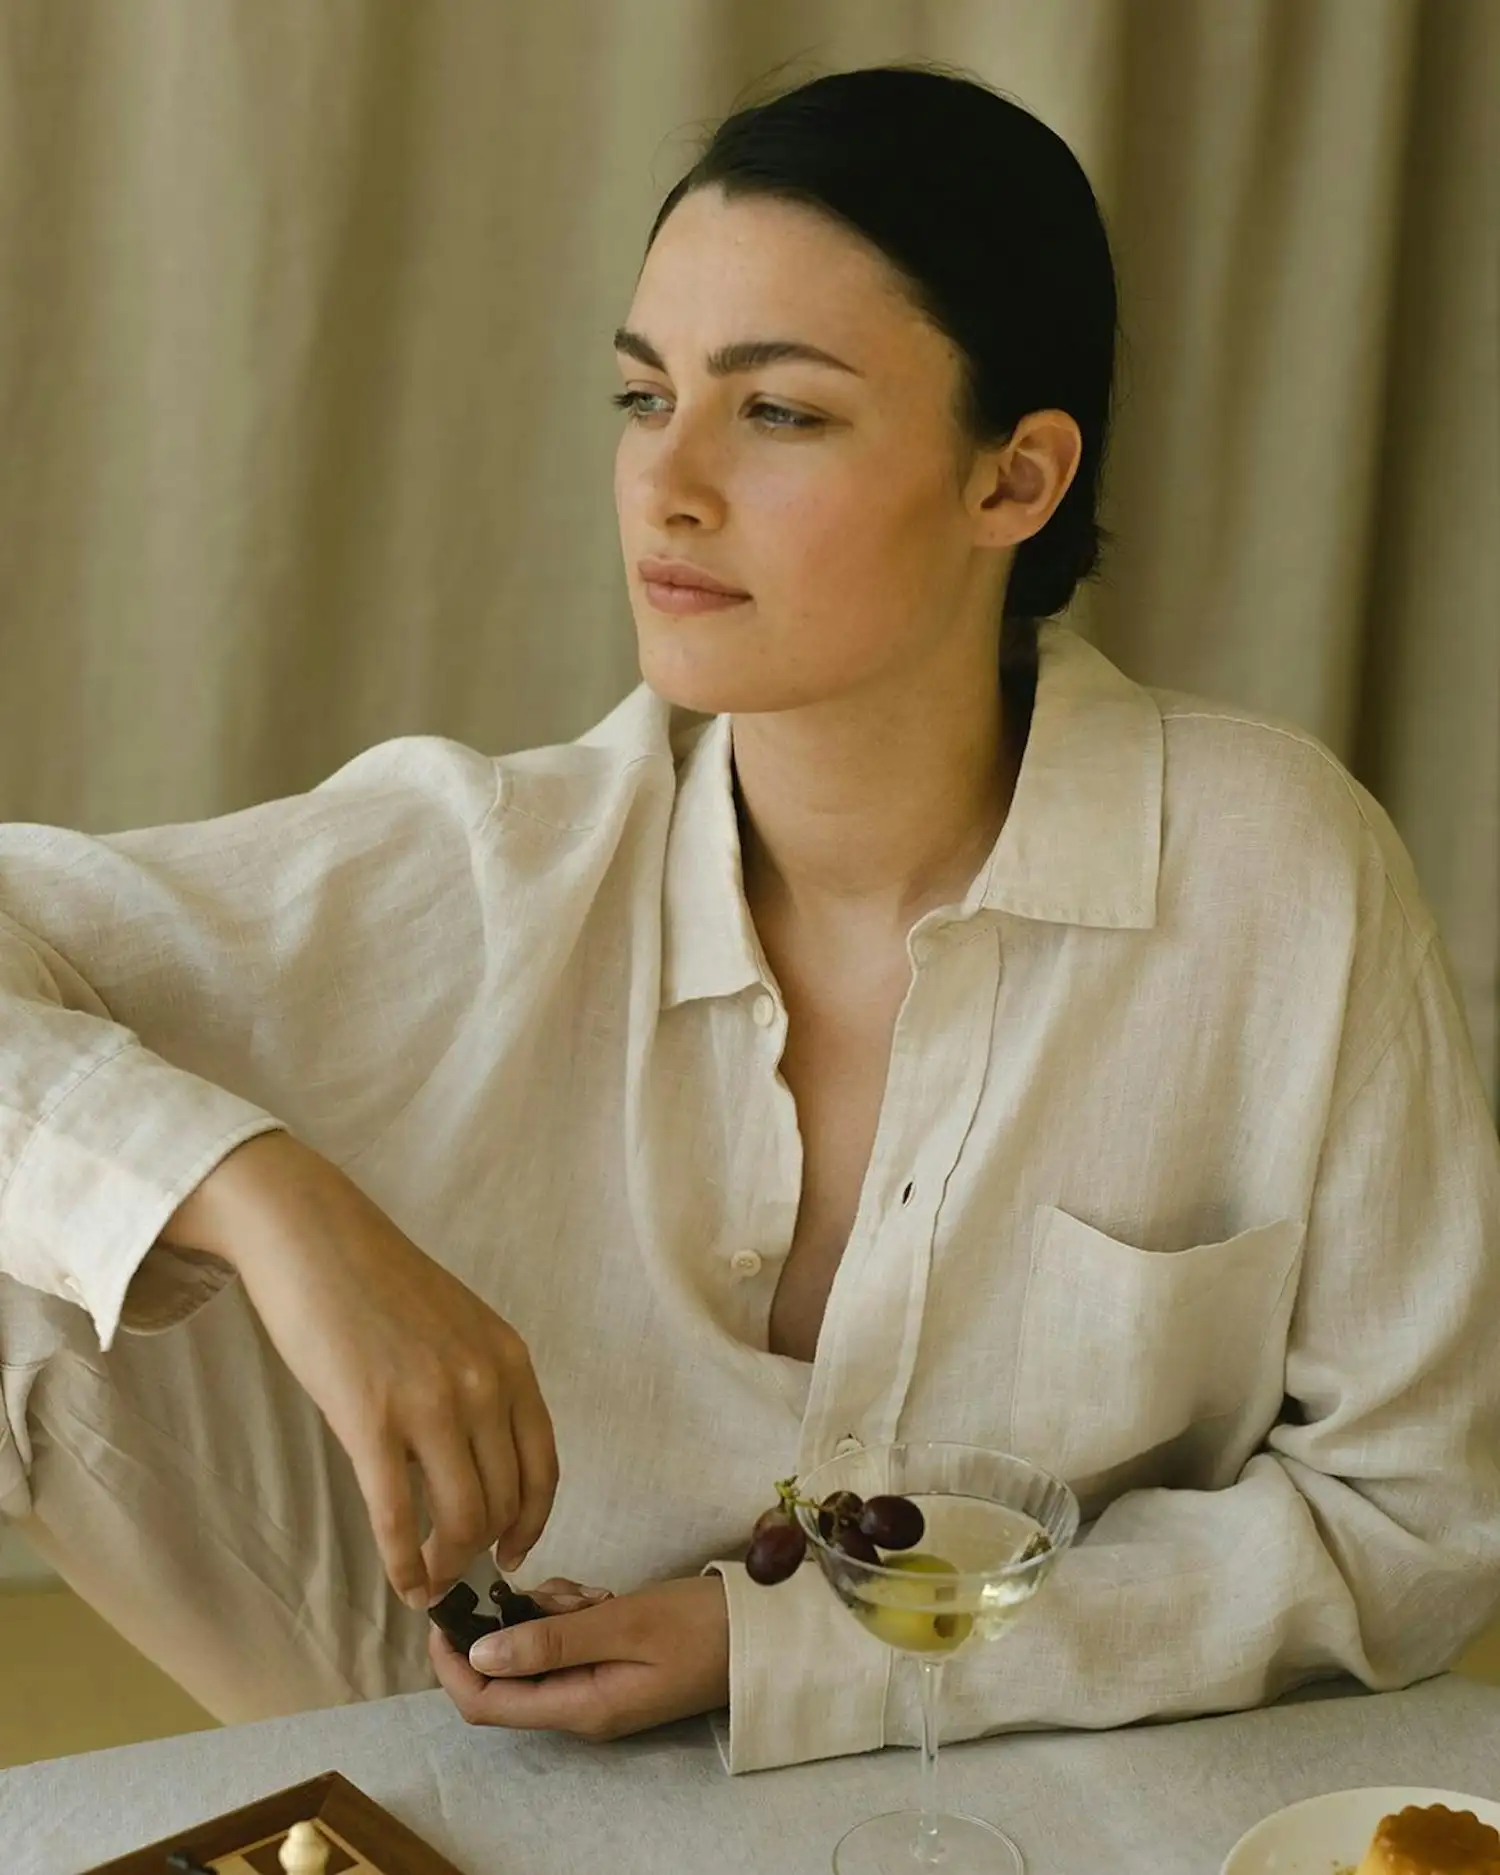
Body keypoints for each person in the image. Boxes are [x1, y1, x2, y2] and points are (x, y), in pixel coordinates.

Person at [1, 64, 1497, 1777]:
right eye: (644, 398)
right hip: (479, 1732)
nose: (670, 483)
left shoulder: (1275, 874)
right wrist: (271, 1205)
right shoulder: (491, 863)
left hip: (1022, 1766)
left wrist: (779, 1638)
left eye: (777, 412)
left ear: (1014, 480)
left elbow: (1417, 1512)